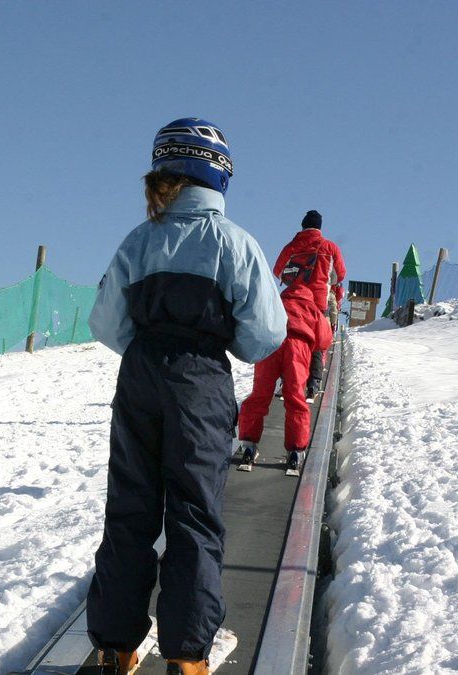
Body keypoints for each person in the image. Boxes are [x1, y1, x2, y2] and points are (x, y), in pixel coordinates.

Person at [86, 118, 286, 675]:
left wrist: (147, 346)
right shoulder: (234, 243)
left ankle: (116, 646)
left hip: (140, 372)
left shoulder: (138, 239)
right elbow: (266, 333)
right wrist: (213, 346)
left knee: (130, 508)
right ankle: (186, 654)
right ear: (218, 177)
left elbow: (105, 322)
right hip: (199, 376)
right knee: (194, 514)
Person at [236, 222, 335, 474]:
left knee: (259, 395)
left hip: (272, 345)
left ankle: (248, 444)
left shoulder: (278, 300)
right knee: (295, 398)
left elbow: (261, 319)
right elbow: (324, 341)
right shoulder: (312, 304)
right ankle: (294, 451)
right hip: (298, 348)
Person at [280, 210, 345, 400]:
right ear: (320, 227)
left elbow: (278, 270)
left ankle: (287, 379)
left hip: (293, 301)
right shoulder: (329, 247)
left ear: (302, 225)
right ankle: (314, 383)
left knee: (292, 338)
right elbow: (340, 274)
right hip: (318, 301)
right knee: (317, 340)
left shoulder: (291, 247)